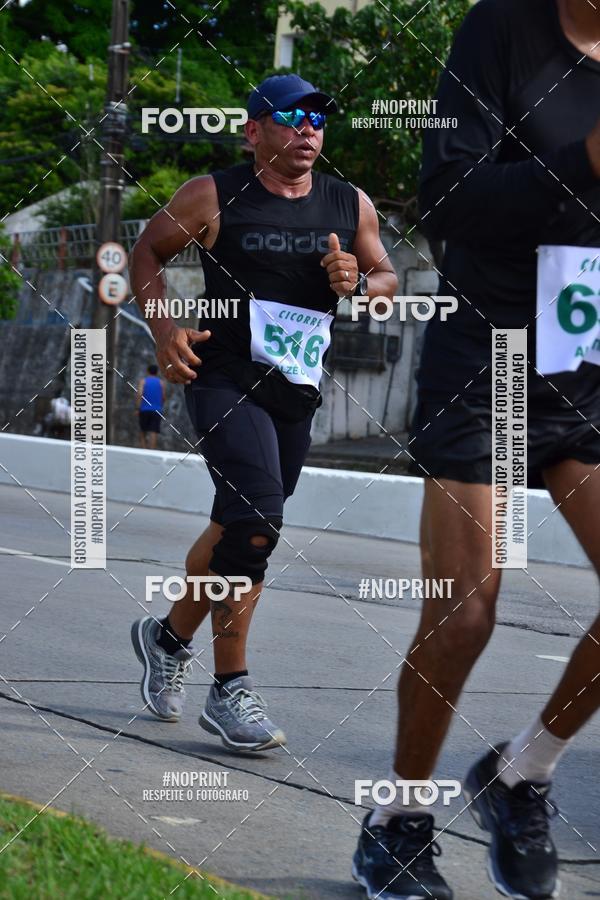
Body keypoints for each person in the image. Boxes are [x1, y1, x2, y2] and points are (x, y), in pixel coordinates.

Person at [353, 1, 600, 898]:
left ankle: (522, 772)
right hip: (490, 352)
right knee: (464, 615)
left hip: (586, 359)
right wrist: (585, 162)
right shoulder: (501, 30)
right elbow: (449, 197)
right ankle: (397, 820)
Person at [129, 73, 398, 752]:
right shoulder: (213, 195)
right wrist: (165, 332)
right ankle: (231, 690)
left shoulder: (349, 203)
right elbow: (146, 253)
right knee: (256, 522)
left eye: (318, 117)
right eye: (291, 116)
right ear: (254, 131)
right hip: (223, 379)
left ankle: (165, 639)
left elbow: (386, 279)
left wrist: (360, 283)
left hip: (295, 391)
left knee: (234, 523)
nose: (309, 128)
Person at [136, 364, 165, 450]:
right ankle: (152, 450)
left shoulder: (143, 381)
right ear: (157, 372)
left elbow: (140, 394)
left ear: (148, 371)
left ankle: (144, 449)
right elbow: (163, 397)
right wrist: (159, 406)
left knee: (143, 430)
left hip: (144, 409)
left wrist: (138, 408)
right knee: (154, 431)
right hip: (157, 409)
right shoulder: (161, 382)